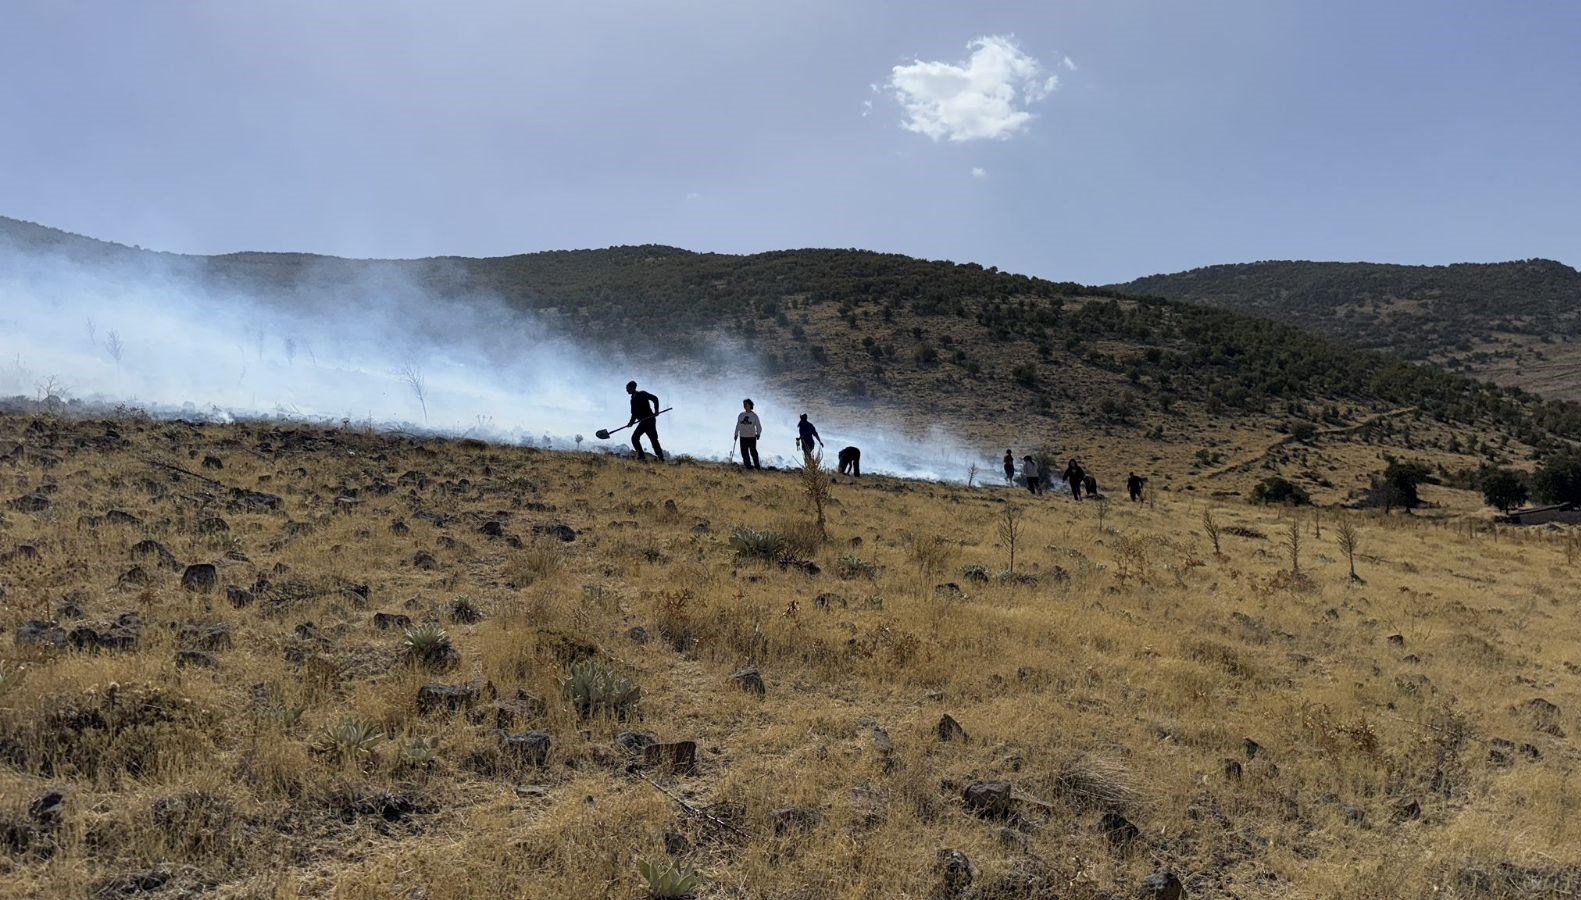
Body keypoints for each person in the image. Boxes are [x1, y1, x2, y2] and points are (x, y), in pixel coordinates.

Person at [625, 380, 664, 461]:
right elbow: (634, 414)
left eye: (628, 388)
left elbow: (655, 398)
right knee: (635, 438)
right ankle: (641, 456)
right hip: (643, 422)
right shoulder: (632, 399)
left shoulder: (642, 394)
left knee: (652, 439)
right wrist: (631, 422)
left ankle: (660, 457)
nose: (626, 390)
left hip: (649, 420)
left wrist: (656, 411)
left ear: (633, 388)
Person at [734, 399, 762, 469]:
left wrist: (758, 434)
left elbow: (759, 426)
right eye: (744, 404)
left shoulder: (754, 416)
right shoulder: (741, 415)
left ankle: (757, 466)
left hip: (751, 437)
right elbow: (738, 425)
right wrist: (736, 434)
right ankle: (748, 467)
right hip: (743, 437)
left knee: (753, 452)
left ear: (750, 405)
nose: (745, 406)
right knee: (744, 452)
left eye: (746, 404)